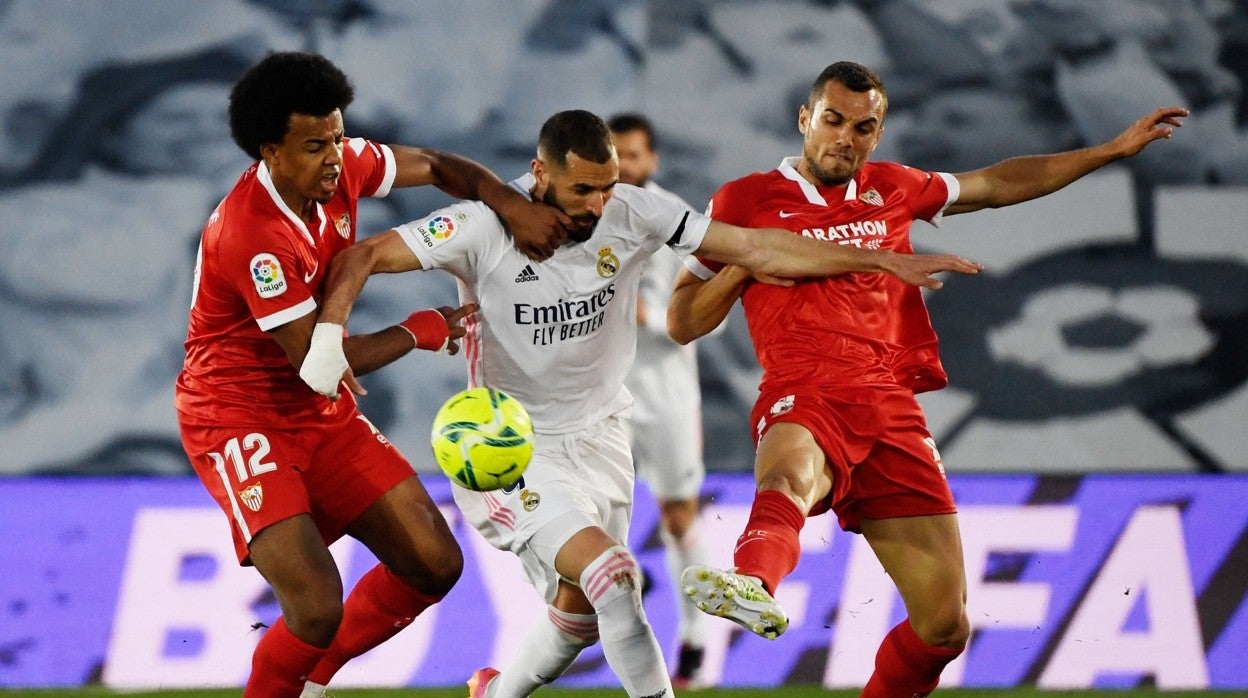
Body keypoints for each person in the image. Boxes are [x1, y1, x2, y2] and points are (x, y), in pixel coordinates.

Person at [297, 110, 981, 698]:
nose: (597, 206)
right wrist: (330, 340)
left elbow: (755, 248)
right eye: (580, 190)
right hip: (514, 448)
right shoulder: (479, 229)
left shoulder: (635, 212)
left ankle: (497, 691)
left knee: (582, 612)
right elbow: (361, 256)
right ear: (539, 173)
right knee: (615, 577)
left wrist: (878, 261)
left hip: (603, 438)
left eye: (606, 188)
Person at [667, 61, 1187, 697]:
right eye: (832, 121)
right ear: (806, 120)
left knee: (945, 626)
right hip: (804, 390)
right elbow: (682, 320)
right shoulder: (743, 200)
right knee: (789, 476)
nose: (844, 138)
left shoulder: (893, 188)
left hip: (891, 408)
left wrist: (1110, 149)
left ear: (876, 135)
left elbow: (996, 182)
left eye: (863, 127)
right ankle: (752, 580)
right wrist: (744, 264)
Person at [173, 51, 568, 698]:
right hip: (239, 415)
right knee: (316, 607)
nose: (335, 156)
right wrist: (420, 330)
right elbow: (316, 367)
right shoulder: (253, 233)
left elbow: (441, 167)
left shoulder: (341, 165)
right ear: (271, 151)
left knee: (433, 563)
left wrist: (508, 204)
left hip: (317, 410)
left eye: (336, 136)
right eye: (314, 145)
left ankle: (316, 679)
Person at [607, 112, 711, 688]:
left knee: (677, 516)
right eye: (614, 154)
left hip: (667, 391)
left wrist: (650, 317)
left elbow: (707, 317)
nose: (624, 165)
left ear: (653, 160)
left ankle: (694, 640)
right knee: (598, 513)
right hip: (606, 392)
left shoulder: (681, 224)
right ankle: (622, 580)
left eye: (634, 155)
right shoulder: (581, 218)